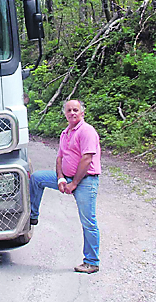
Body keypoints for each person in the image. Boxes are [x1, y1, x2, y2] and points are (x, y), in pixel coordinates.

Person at [29, 99, 101, 274]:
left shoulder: (87, 131)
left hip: (85, 181)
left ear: (82, 112)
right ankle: (32, 216)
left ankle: (91, 261)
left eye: (76, 110)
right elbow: (60, 157)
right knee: (37, 178)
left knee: (88, 221)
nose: (72, 113)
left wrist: (74, 184)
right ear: (65, 113)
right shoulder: (65, 133)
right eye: (69, 110)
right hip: (67, 177)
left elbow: (87, 159)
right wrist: (61, 179)